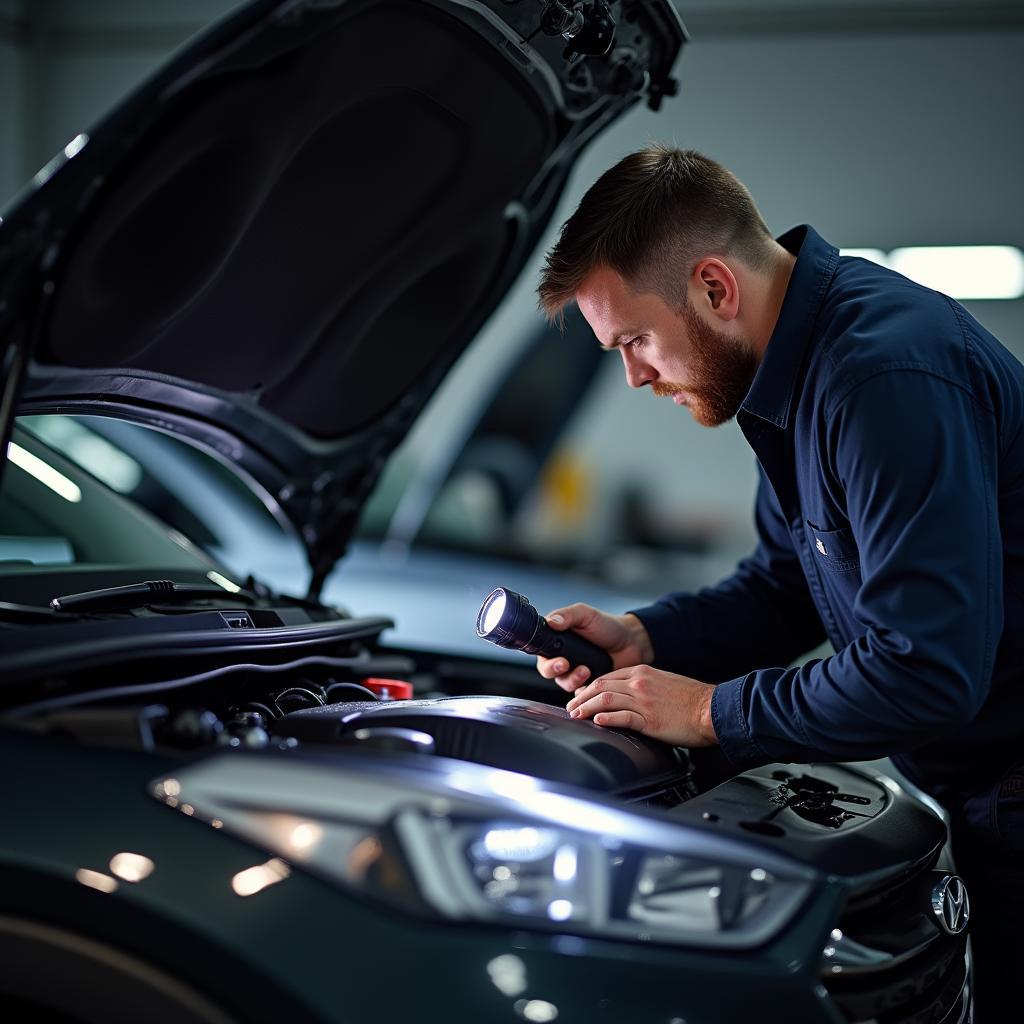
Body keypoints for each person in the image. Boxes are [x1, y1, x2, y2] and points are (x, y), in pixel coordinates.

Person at [534, 145, 1022, 1017]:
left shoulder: (883, 376)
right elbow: (788, 583)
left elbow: (926, 670)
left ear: (715, 288)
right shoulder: (792, 377)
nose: (635, 375)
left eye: (636, 339)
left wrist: (713, 712)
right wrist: (650, 640)